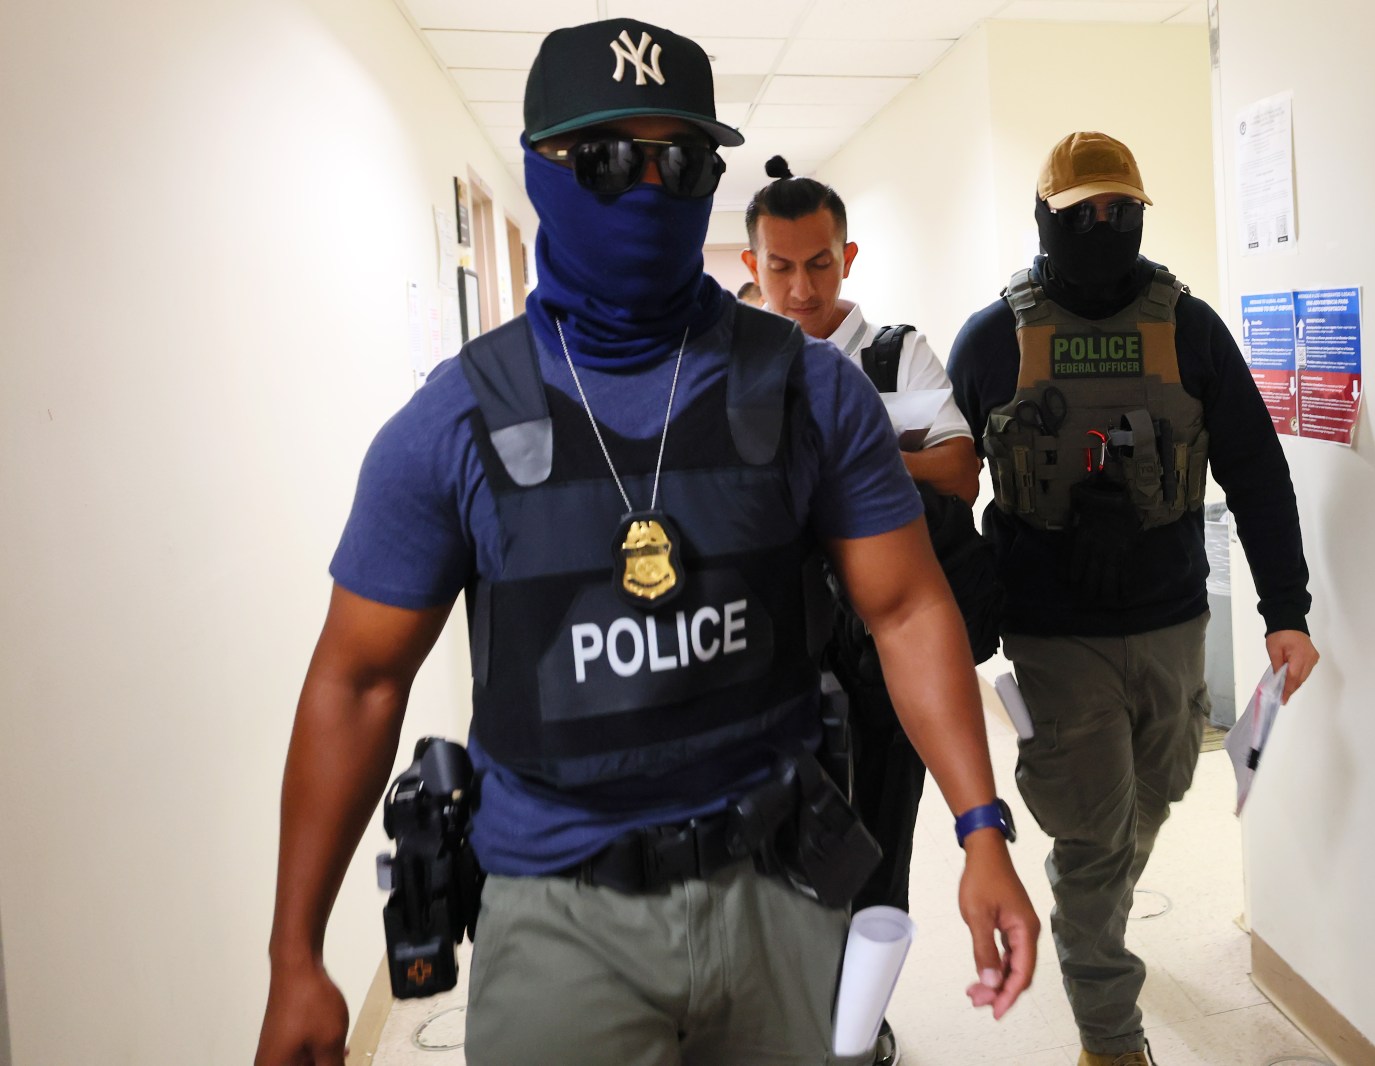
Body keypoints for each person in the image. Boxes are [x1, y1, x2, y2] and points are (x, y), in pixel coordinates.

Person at [254, 18, 1037, 1066]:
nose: (647, 187)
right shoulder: (457, 422)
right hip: (560, 914)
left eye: (680, 161)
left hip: (774, 888)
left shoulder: (809, 388)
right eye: (609, 158)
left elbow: (905, 607)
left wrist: (980, 827)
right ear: (541, 168)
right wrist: (296, 955)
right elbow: (356, 681)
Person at [946, 131, 1320, 1066]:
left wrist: (1287, 610)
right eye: (1084, 216)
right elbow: (948, 493)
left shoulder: (1188, 328)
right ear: (1046, 222)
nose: (1105, 228)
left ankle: (1092, 900)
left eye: (1122, 212)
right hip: (1052, 633)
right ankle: (1111, 1039)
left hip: (1172, 623)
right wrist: (962, 613)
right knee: (1092, 835)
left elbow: (1256, 470)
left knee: (1156, 797)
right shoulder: (995, 339)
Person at [742, 158, 1001, 1066]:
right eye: (782, 267)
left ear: (846, 256)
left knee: (881, 846)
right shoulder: (733, 365)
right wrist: (891, 447)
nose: (802, 287)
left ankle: (860, 1025)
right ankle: (794, 1017)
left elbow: (961, 468)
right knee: (775, 850)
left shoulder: (896, 354)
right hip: (773, 652)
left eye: (819, 263)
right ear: (753, 264)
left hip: (884, 650)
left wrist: (835, 458)